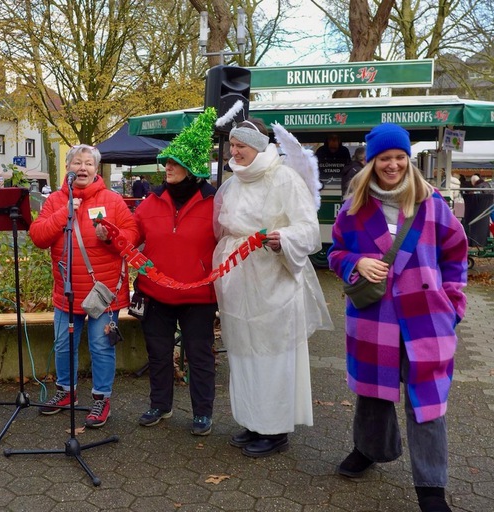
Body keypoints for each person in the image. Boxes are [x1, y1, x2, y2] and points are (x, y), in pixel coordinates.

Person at [328, 123, 467, 512]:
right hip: (375, 316)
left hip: (427, 319)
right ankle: (369, 449)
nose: (393, 165)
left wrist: (453, 305)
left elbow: (456, 256)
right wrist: (357, 262)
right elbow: (336, 253)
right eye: (384, 158)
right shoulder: (353, 207)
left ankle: (431, 487)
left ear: (409, 160)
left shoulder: (432, 204)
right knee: (373, 394)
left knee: (427, 403)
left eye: (399, 158)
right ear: (371, 162)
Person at [213, 118, 332, 458]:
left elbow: (309, 230)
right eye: (232, 145)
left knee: (273, 355)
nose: (235, 151)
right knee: (244, 352)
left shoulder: (284, 177)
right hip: (240, 282)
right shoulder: (234, 181)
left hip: (274, 281)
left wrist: (285, 240)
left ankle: (275, 429)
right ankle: (252, 420)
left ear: (259, 146)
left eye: (242, 146)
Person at [29, 144, 139, 428]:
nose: (83, 167)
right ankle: (66, 392)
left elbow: (132, 235)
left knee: (102, 347)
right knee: (63, 345)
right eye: (77, 162)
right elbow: (39, 237)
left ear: (96, 169)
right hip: (66, 291)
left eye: (89, 163)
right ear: (68, 168)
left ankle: (102, 398)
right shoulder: (54, 200)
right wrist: (62, 214)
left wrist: (110, 235)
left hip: (101, 294)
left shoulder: (112, 201)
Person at [133, 108, 219, 436]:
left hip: (197, 294)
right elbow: (132, 233)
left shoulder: (214, 202)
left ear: (193, 169)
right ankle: (160, 404)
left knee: (198, 355)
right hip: (155, 293)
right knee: (158, 351)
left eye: (175, 162)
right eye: (166, 162)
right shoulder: (151, 200)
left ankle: (203, 412)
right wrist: (114, 235)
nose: (167, 167)